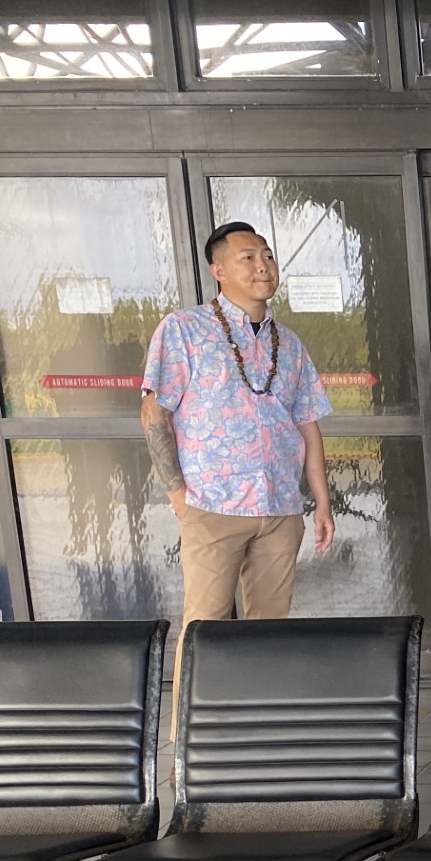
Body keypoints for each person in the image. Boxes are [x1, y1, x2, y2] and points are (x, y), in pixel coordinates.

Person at [141, 222, 335, 698]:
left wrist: (322, 504)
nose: (262, 265)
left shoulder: (288, 344)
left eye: (267, 255)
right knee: (203, 632)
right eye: (248, 257)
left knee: (269, 634)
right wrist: (179, 496)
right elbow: (153, 413)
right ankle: (188, 757)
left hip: (278, 509)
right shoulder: (184, 329)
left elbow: (308, 424)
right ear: (219, 270)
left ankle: (259, 740)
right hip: (212, 506)